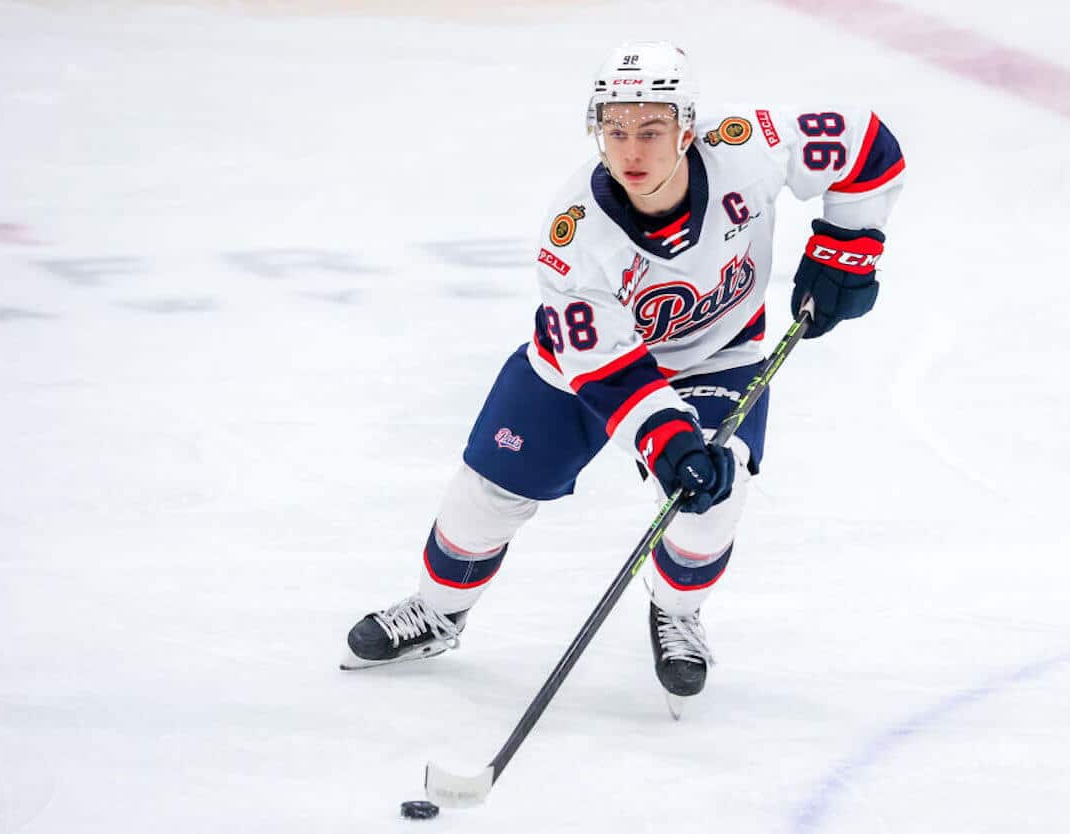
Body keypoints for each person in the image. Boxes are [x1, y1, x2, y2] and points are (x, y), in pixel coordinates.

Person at [342, 41, 905, 705]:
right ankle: (437, 611)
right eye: (615, 130)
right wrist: (667, 439)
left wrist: (849, 247)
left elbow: (867, 144)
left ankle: (677, 613)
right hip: (577, 373)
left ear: (688, 128)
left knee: (713, 502)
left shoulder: (747, 147)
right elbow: (606, 367)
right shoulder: (574, 232)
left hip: (718, 353)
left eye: (652, 130)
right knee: (485, 497)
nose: (632, 152)